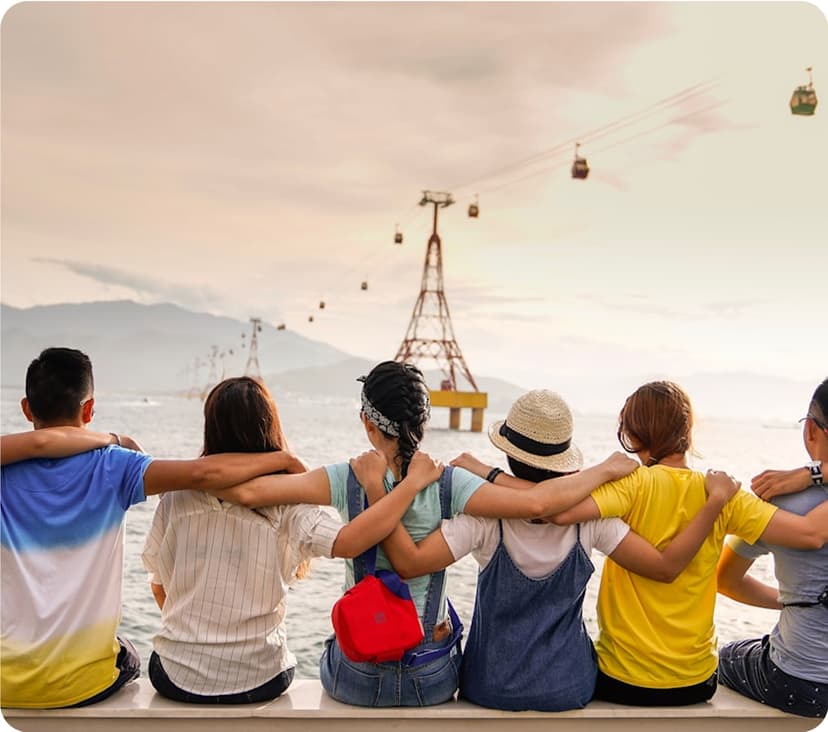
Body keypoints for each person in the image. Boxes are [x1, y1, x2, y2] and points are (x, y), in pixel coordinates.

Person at [209, 361, 647, 707]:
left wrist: (283, 459)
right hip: (431, 678)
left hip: (357, 678)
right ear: (424, 420)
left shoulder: (346, 476)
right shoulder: (451, 483)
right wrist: (605, 469)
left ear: (367, 423)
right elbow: (538, 504)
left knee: (333, 643)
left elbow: (244, 491)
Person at [348, 389, 741, 712]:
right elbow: (662, 566)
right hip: (569, 688)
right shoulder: (592, 519)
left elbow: (410, 563)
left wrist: (380, 492)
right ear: (564, 461)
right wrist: (711, 504)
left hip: (490, 687)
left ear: (509, 455)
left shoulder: (485, 519)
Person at [0, 348, 306, 709]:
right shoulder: (116, 467)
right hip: (83, 685)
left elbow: (38, 443)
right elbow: (204, 473)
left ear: (25, 408)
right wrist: (284, 459)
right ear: (89, 409)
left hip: (7, 683)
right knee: (127, 652)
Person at [141, 377, 442, 704]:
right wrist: (288, 460)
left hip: (176, 676)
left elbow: (159, 586)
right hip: (260, 677)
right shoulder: (289, 505)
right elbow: (349, 542)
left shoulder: (176, 498)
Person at [537, 380, 828, 706]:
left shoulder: (630, 485)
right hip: (696, 683)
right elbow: (808, 533)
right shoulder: (725, 494)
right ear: (689, 431)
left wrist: (602, 470)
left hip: (621, 679)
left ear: (631, 436)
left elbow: (553, 511)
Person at [716, 377, 828, 718]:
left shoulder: (782, 504)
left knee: (726, 657)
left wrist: (792, 603)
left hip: (800, 681)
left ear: (810, 429)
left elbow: (725, 580)